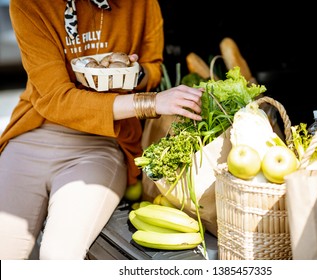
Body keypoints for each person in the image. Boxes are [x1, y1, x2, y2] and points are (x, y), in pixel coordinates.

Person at [0, 0, 203, 260]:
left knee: (59, 255)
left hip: (102, 143)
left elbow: (153, 67)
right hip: (35, 136)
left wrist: (134, 73)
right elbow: (55, 98)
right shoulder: (29, 4)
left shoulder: (142, 3)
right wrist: (150, 103)